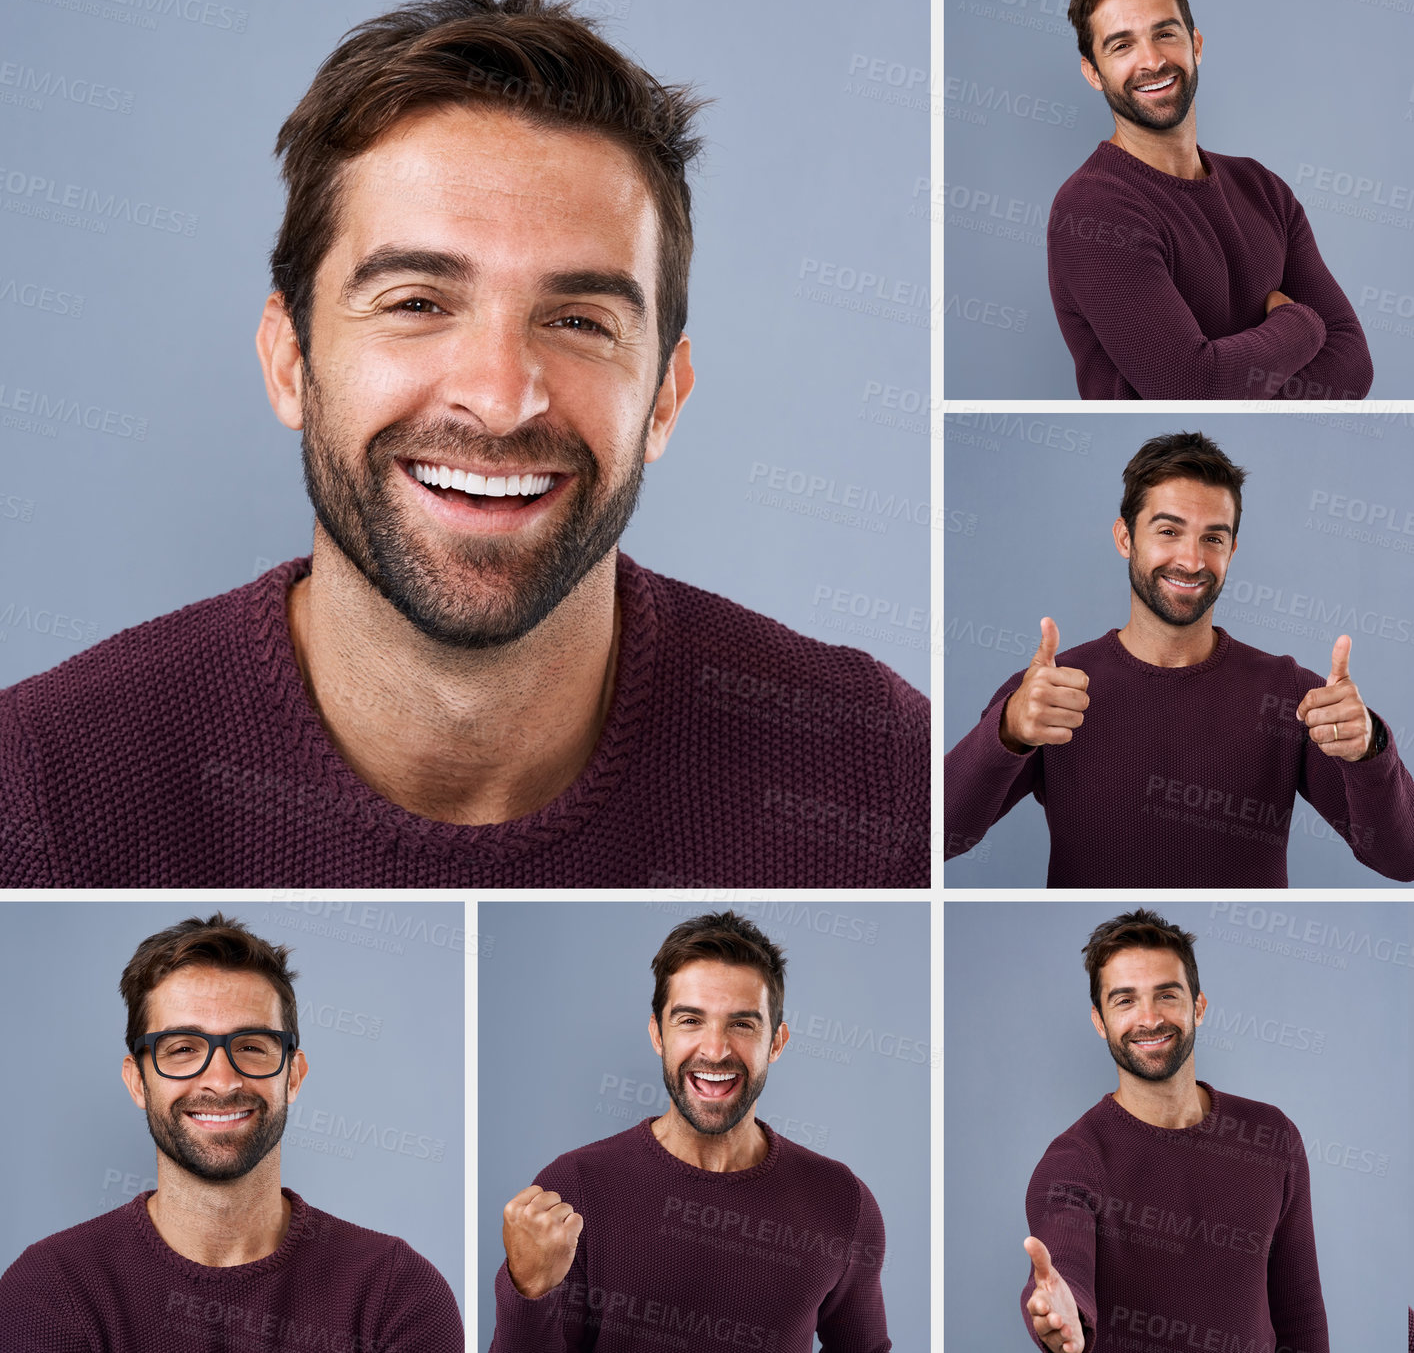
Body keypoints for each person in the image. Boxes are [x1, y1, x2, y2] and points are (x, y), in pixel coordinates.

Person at [0, 0, 928, 889]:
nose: (498, 399)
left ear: (664, 401)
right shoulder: (40, 790)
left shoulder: (875, 770)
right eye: (416, 303)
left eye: (579, 322)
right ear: (291, 361)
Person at [944, 430, 1414, 885]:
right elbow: (937, 836)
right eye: (1169, 530)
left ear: (1232, 549)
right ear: (1125, 538)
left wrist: (1369, 748)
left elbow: (1404, 858)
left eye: (1213, 538)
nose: (1191, 561)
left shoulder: (1293, 695)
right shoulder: (1049, 692)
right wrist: (1007, 729)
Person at [0, 913, 462, 1349]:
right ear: (138, 1081)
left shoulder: (397, 1292)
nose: (221, 1081)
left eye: (252, 1047)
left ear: (294, 1076)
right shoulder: (49, 1291)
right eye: (182, 1048)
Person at [491, 910, 891, 1352]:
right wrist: (527, 1289)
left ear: (776, 1043)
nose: (716, 1050)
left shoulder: (841, 1201)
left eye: (742, 1024)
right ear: (657, 1034)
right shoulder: (573, 1190)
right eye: (689, 1020)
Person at [1048, 0, 1372, 401]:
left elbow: (1353, 368)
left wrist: (1235, 374)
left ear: (1195, 44)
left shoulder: (1263, 188)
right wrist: (1301, 323)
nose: (1152, 60)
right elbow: (1193, 388)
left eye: (1165, 33)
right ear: (1093, 73)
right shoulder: (1093, 209)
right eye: (1121, 45)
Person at [1021, 909, 1328, 1353]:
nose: (1149, 1019)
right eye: (1124, 1000)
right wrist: (1065, 1310)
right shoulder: (1074, 1161)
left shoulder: (1271, 1136)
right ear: (1099, 1021)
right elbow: (1061, 1262)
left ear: (1198, 1006)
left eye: (1166, 995)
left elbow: (1301, 1316)